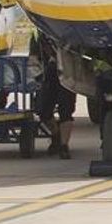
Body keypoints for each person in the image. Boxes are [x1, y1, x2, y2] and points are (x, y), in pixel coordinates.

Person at [30, 29, 75, 159]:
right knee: (43, 111)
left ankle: (64, 146)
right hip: (47, 76)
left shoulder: (71, 33)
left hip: (67, 75)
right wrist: (37, 76)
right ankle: (56, 134)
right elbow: (33, 56)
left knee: (66, 112)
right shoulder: (38, 35)